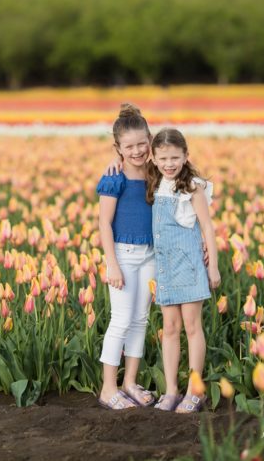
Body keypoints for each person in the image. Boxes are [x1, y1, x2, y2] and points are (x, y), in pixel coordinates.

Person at [147, 128, 221, 413]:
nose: (169, 163)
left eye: (175, 157)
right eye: (163, 157)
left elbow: (207, 228)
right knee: (169, 329)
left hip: (189, 266)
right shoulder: (154, 184)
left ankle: (195, 390)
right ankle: (171, 391)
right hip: (165, 268)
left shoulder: (193, 187)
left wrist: (212, 266)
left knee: (192, 327)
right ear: (153, 158)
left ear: (185, 155)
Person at [96, 103, 157, 410]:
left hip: (150, 255)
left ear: (151, 140)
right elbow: (104, 223)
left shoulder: (156, 173)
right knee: (120, 320)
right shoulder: (114, 177)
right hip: (122, 255)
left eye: (142, 144)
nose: (137, 151)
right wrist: (112, 264)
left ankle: (129, 382)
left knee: (141, 320)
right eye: (129, 146)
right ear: (117, 147)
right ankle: (108, 388)